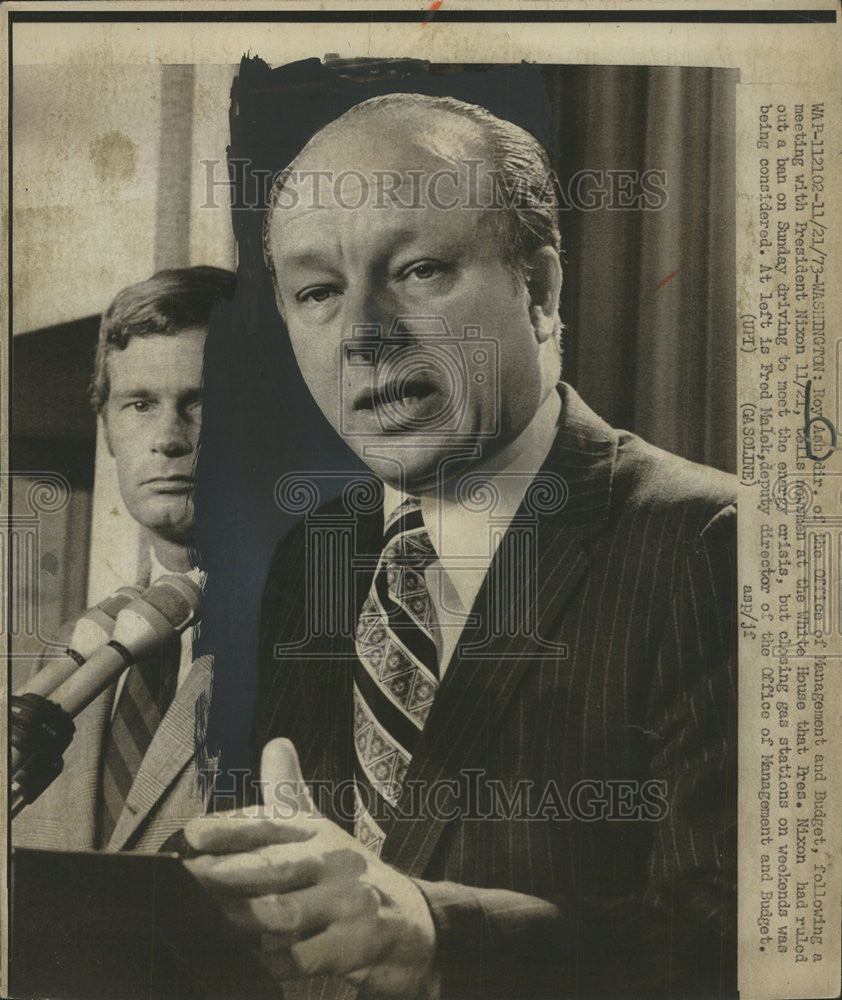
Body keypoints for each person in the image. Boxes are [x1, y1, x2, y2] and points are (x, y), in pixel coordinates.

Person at [184, 94, 737, 999]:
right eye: (319, 292)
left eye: (420, 270)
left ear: (542, 291)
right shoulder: (312, 559)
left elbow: (742, 949)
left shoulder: (713, 546)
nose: (363, 336)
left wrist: (435, 935)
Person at [13, 265, 236, 853]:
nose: (168, 437)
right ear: (107, 430)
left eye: (201, 402)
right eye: (139, 404)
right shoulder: (66, 658)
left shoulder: (313, 643)